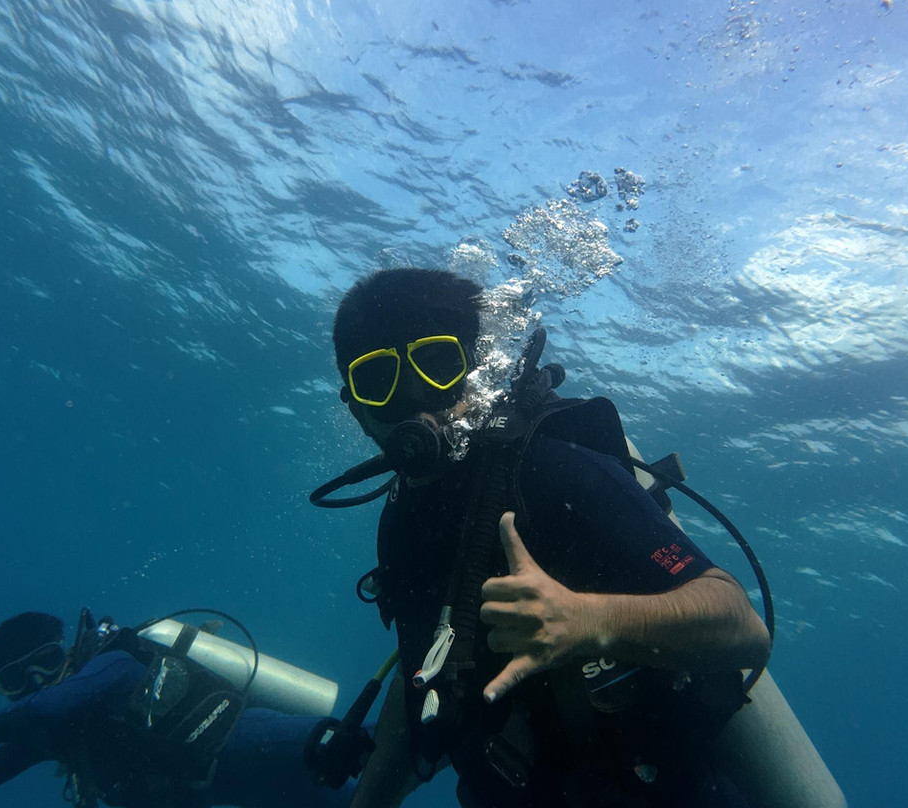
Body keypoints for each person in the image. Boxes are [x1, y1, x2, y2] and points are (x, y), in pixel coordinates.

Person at [322, 268, 772, 808]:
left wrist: (590, 622)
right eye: (379, 381)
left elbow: (741, 624)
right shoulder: (402, 517)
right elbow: (427, 660)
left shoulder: (554, 471)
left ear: (479, 369)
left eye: (439, 364)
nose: (414, 399)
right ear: (355, 405)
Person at [0, 611, 355, 808]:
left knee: (383, 745)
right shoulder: (48, 736)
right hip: (248, 793)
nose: (36, 683)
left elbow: (44, 708)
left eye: (45, 663)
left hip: (256, 742)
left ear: (62, 651)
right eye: (14, 682)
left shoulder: (114, 662)